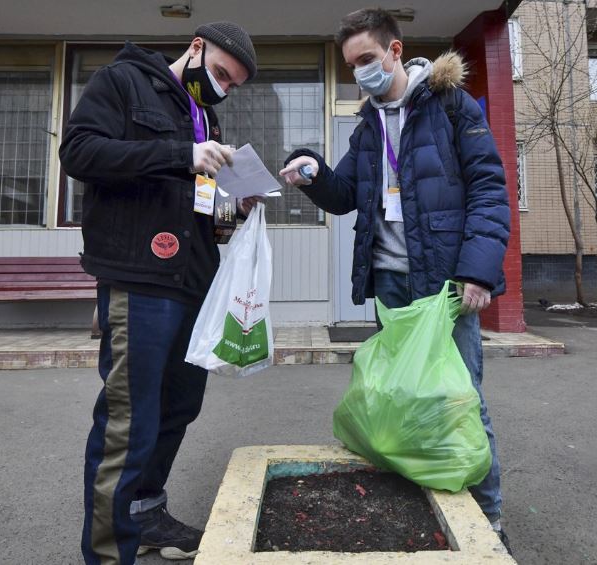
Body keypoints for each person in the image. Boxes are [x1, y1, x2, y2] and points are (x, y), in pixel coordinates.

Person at [280, 8, 512, 552]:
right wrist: (311, 171)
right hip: (391, 283)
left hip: (445, 286)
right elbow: (344, 196)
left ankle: (490, 517)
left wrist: (478, 271)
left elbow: (488, 189)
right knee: (405, 395)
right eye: (351, 65)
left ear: (395, 51)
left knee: (459, 398)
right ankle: (424, 496)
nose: (359, 71)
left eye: (366, 59)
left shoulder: (451, 104)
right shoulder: (367, 125)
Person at [59, 22, 260, 565]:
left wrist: (233, 208)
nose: (222, 87)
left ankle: (145, 514)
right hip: (139, 279)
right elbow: (79, 153)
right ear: (195, 48)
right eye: (219, 73)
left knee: (178, 406)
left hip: (193, 282)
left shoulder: (204, 117)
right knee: (130, 416)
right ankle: (107, 552)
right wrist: (181, 154)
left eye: (232, 84)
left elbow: (195, 206)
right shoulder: (123, 82)